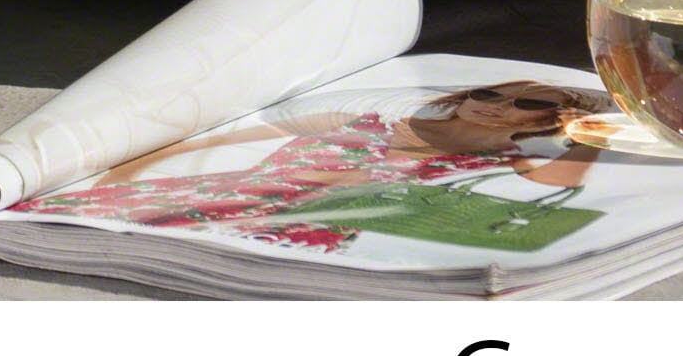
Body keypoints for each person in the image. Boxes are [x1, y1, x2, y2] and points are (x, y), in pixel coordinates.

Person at [39, 80, 611, 252]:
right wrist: (126, 171)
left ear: (547, 120)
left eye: (526, 103)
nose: (497, 105)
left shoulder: (498, 158)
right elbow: (229, 136)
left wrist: (593, 139)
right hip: (210, 196)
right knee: (66, 230)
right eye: (489, 91)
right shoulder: (363, 120)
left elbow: (560, 180)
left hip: (300, 230)